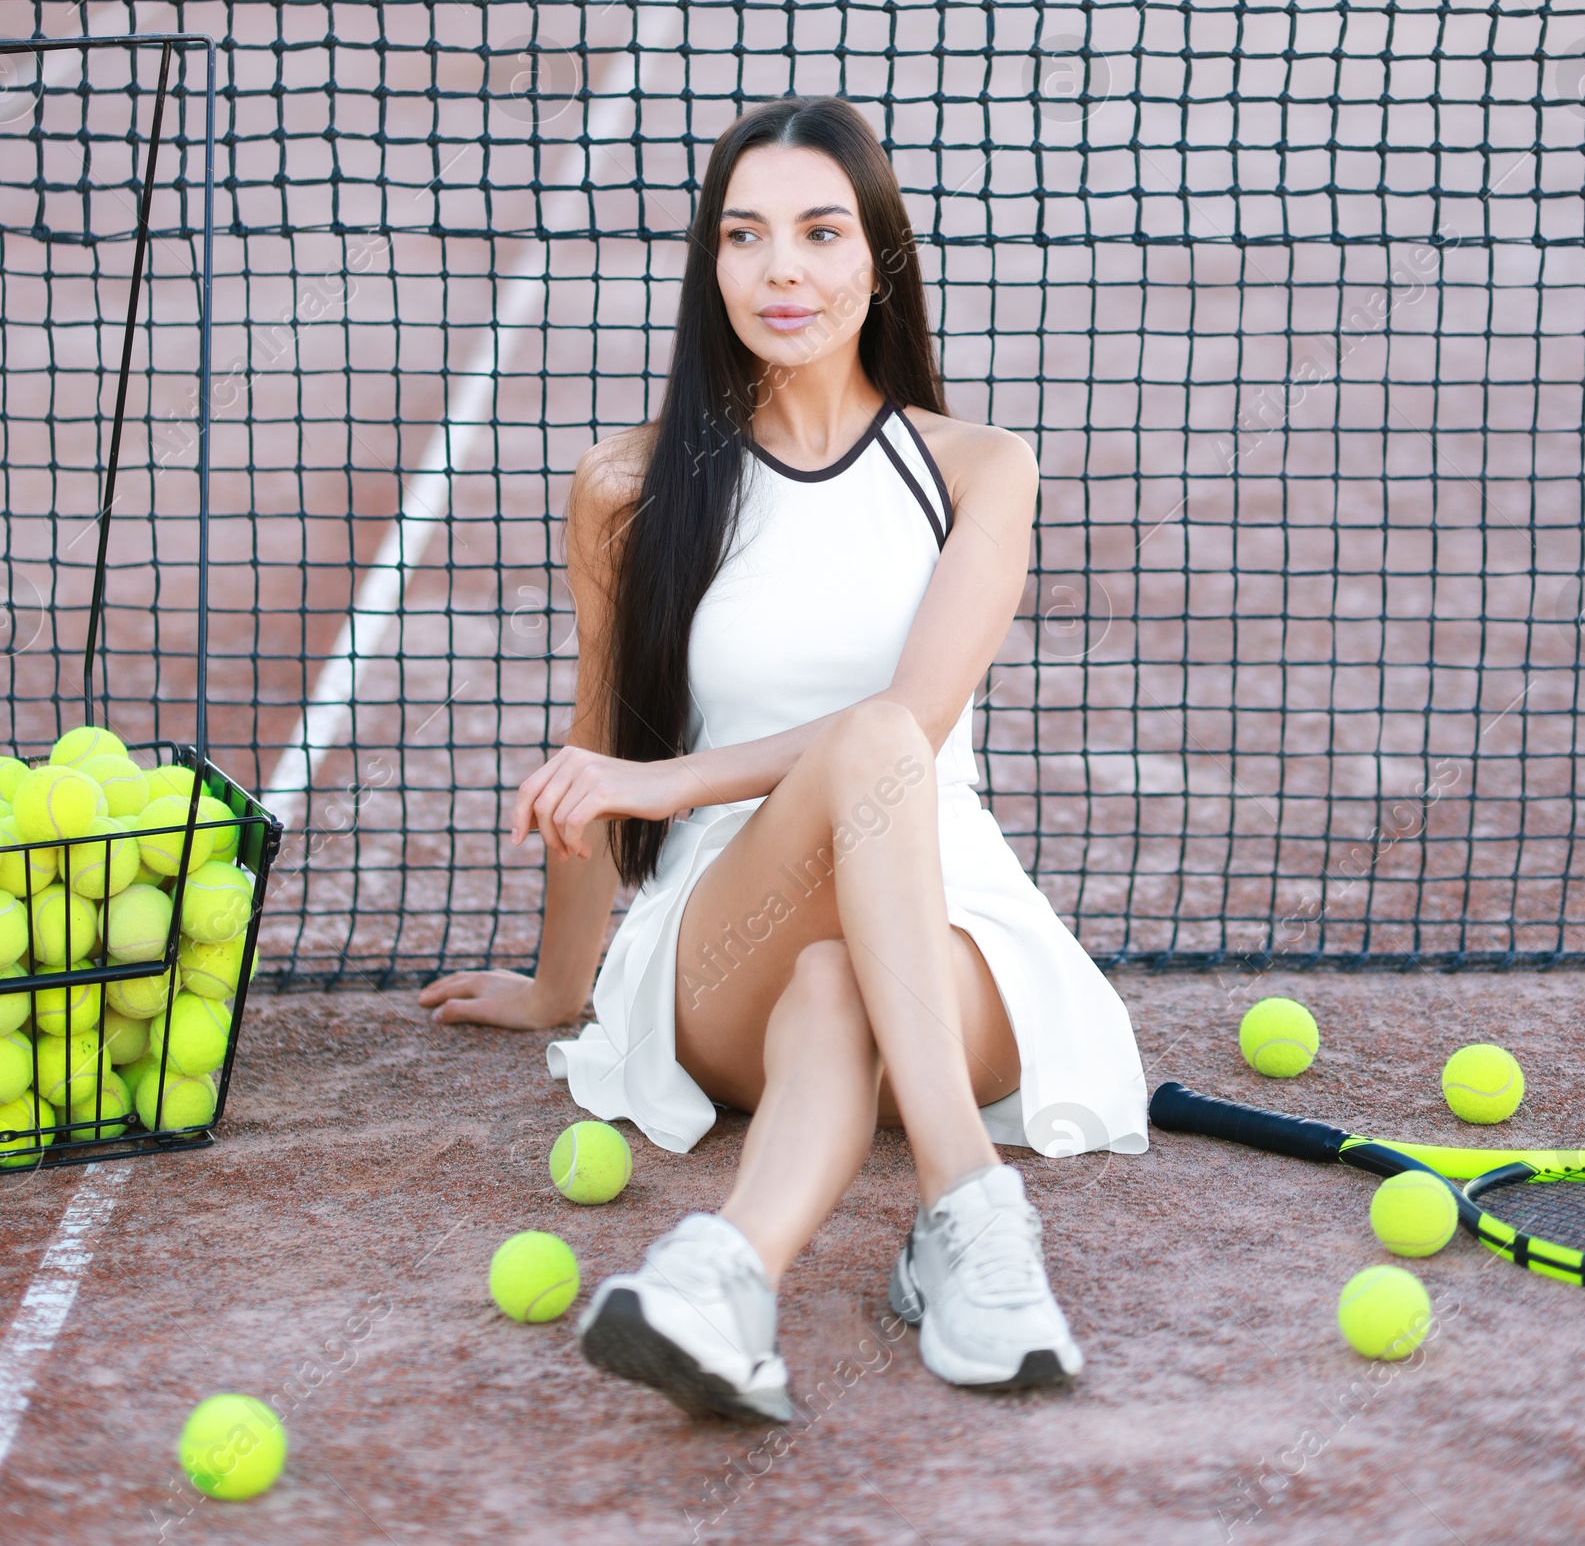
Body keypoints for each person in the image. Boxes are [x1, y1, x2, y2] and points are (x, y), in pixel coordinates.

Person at [421, 96, 1147, 1423]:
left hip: (951, 923)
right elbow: (600, 751)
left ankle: (719, 1277)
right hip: (720, 947)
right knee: (822, 889)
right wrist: (556, 985)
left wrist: (668, 778)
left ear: (881, 261)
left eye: (820, 232)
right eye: (745, 237)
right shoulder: (631, 489)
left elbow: (915, 721)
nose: (783, 271)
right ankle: (974, 1215)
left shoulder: (980, 468)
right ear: (713, 268)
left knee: (842, 970)